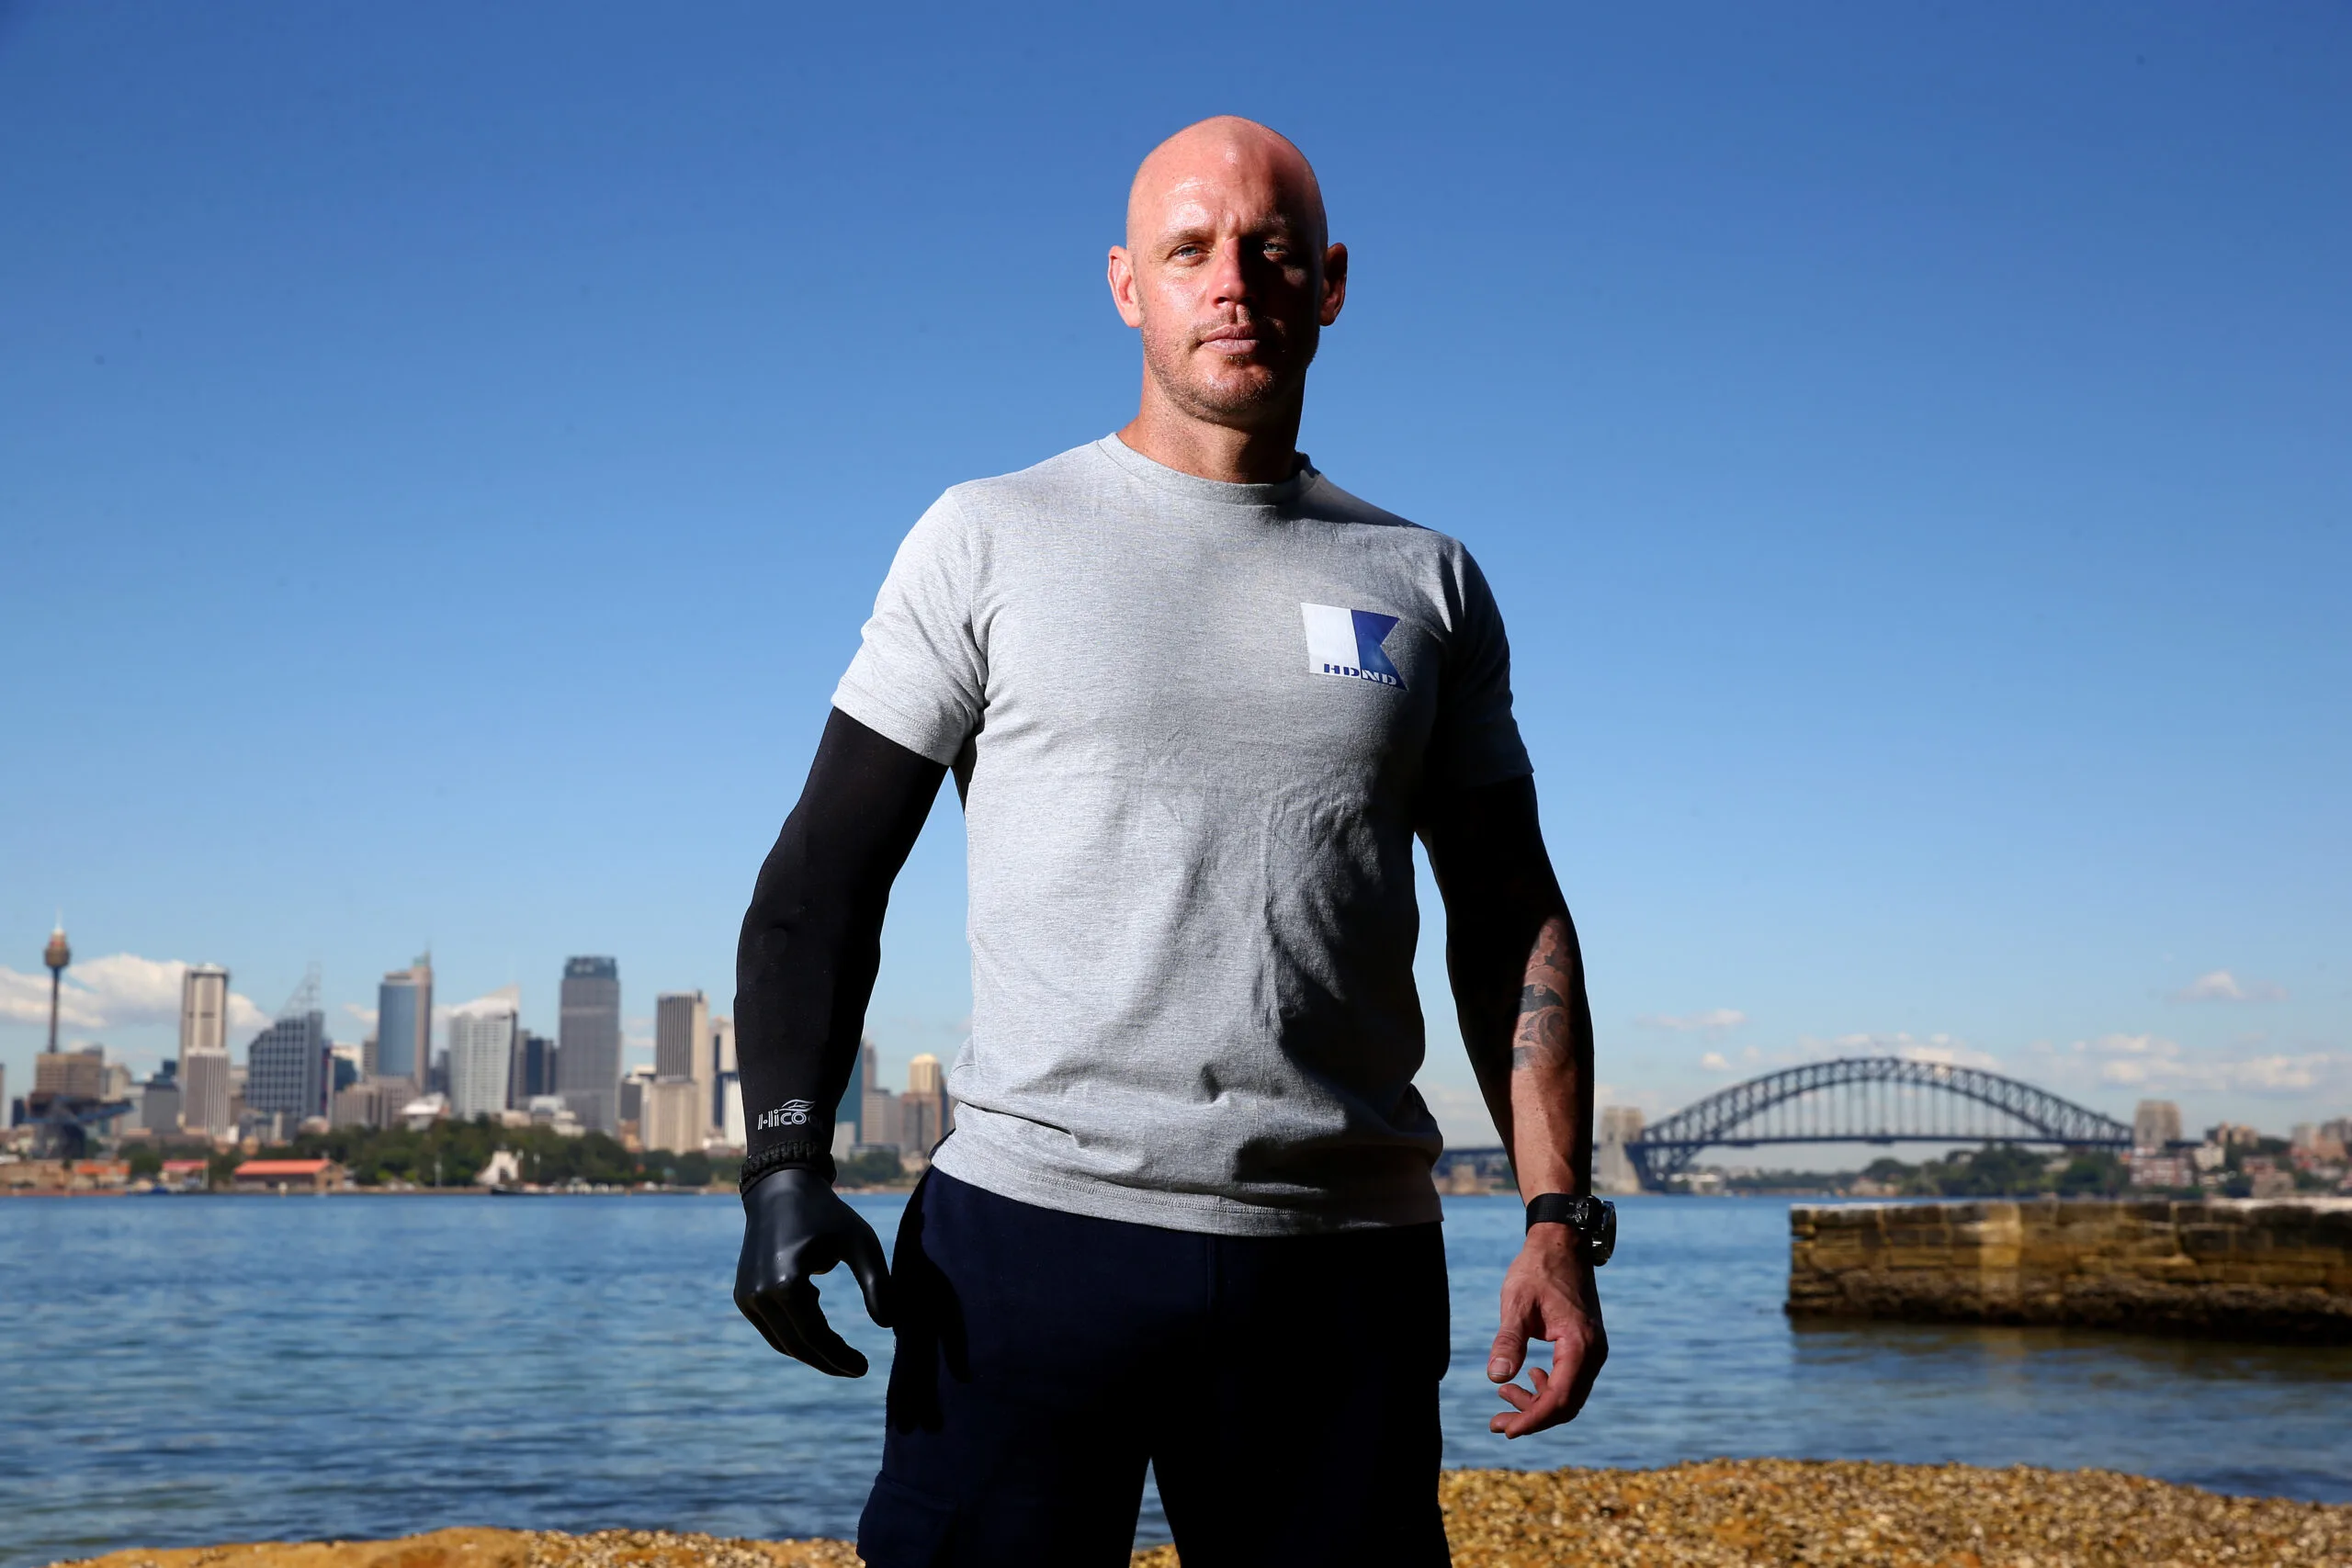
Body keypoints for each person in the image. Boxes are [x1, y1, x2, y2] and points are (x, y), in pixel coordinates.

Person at [731, 115, 1610, 1568]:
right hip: (1028, 1246)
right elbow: (822, 880)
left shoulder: (1426, 579)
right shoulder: (989, 536)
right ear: (1126, 285)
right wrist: (783, 1164)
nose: (1233, 283)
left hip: (1343, 1270)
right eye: (1189, 249)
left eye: (1270, 251)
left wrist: (1559, 1217)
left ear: (1329, 283)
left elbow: (1511, 914)